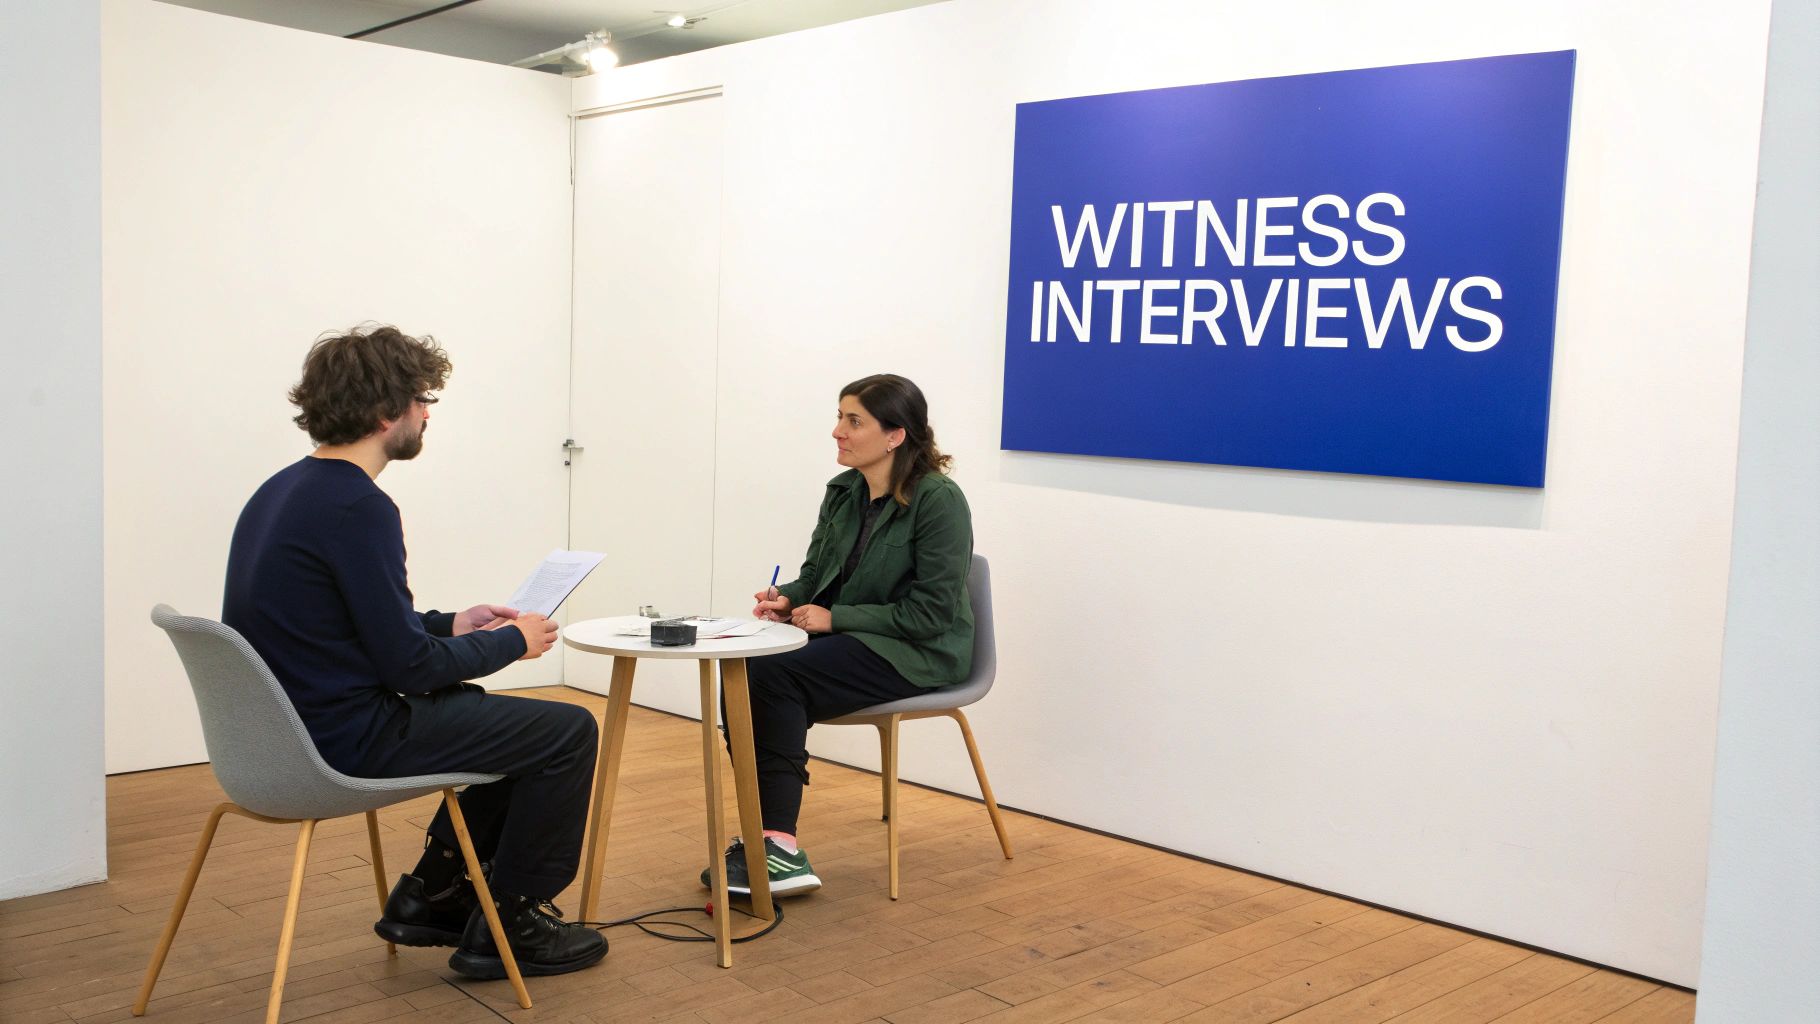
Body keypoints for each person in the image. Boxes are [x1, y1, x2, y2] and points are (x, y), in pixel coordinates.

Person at [222, 324, 607, 980]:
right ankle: (512, 923)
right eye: (423, 399)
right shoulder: (359, 507)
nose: (428, 414)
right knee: (565, 732)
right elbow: (410, 668)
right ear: (386, 411)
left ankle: (434, 894)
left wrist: (453, 623)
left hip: (282, 734)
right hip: (342, 741)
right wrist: (510, 641)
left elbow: (350, 625)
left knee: (494, 721)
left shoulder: (282, 490)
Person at [709, 373, 974, 896]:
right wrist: (788, 597)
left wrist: (836, 619)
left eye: (854, 421)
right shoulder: (844, 490)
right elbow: (817, 574)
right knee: (744, 668)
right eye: (839, 417)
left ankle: (777, 845)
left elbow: (932, 614)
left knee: (774, 678)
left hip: (919, 652)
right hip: (858, 642)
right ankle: (766, 839)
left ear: (895, 435)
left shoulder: (939, 500)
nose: (838, 431)